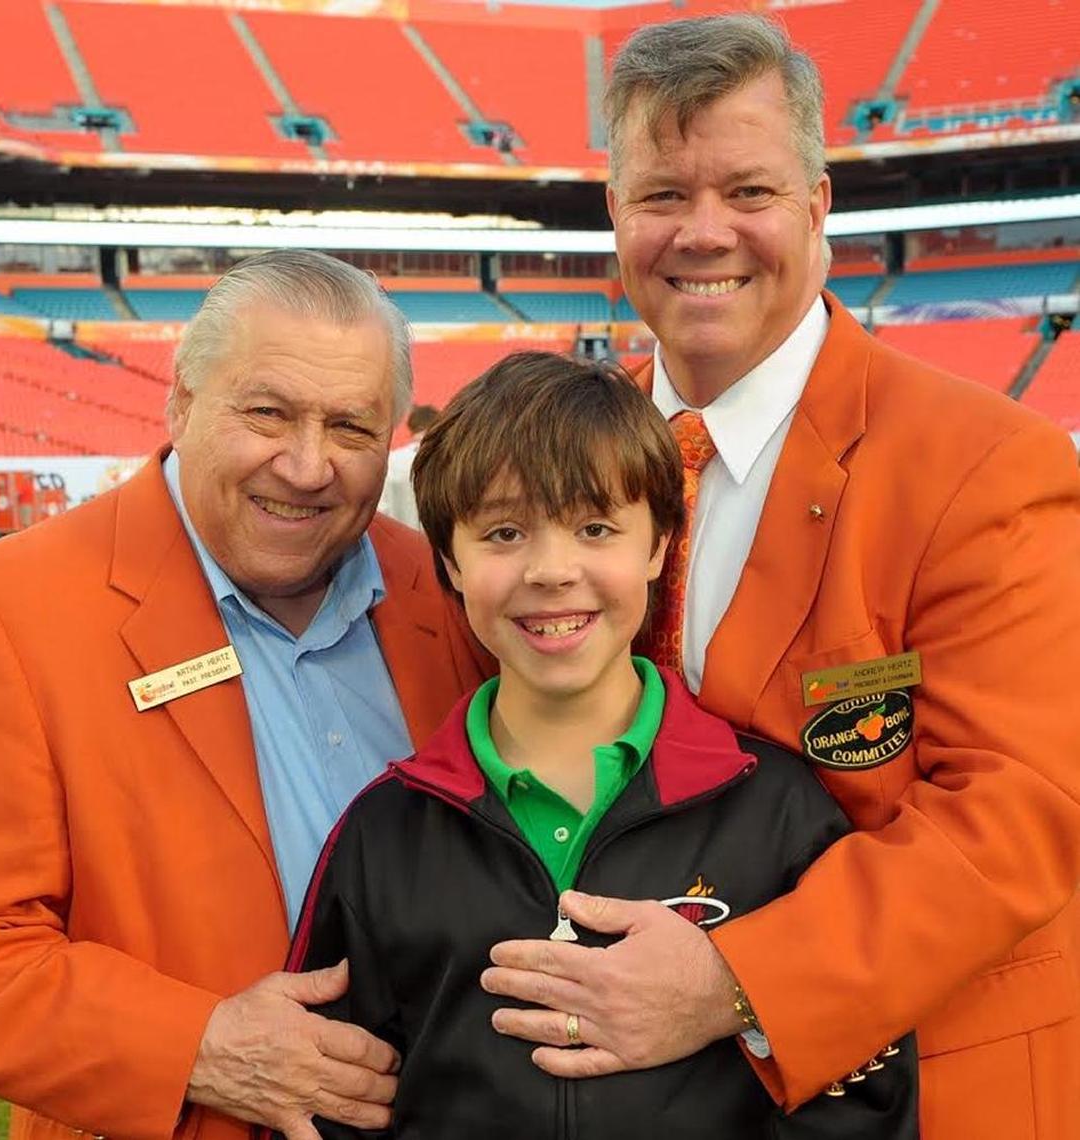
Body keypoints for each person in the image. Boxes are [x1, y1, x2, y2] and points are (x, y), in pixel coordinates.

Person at [479, 16, 1080, 1140]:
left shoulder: (986, 466)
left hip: (926, 1088)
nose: (704, 233)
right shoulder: (555, 456)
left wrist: (734, 981)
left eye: (748, 191)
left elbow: (1020, 815)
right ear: (616, 214)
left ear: (816, 205)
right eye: (663, 195)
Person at [287, 350, 918, 1139]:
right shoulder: (385, 832)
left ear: (658, 545)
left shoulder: (776, 811)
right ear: (449, 559)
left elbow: (862, 1094)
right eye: (505, 533)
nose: (553, 571)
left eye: (595, 528)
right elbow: (333, 1101)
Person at [0, 250, 490, 1140]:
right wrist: (201, 1047)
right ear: (183, 402)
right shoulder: (2, 611)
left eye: (350, 428)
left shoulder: (453, 590)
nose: (306, 466)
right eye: (267, 413)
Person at [376, 403, 439, 529]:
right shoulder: (445, 462)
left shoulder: (390, 460)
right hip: (435, 537)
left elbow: (380, 509)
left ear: (412, 426)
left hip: (395, 535)